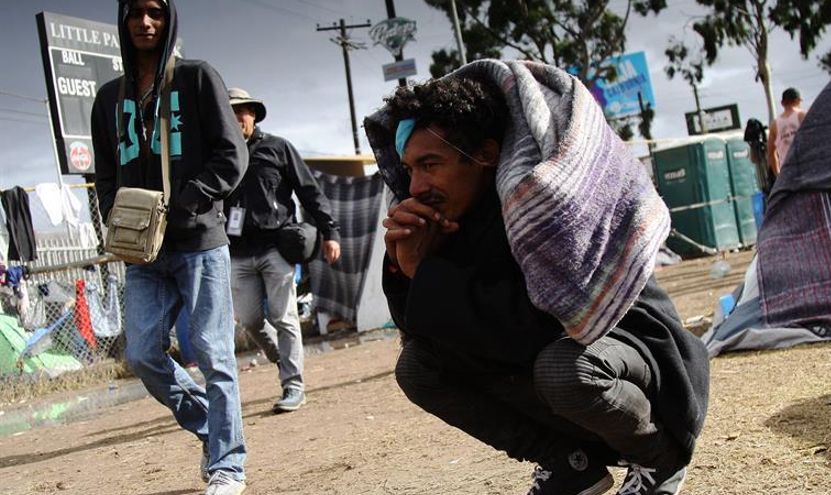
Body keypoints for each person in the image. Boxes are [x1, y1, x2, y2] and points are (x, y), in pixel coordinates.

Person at [364, 61, 710, 495]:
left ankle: (659, 456)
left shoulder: (543, 206)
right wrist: (406, 266)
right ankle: (570, 463)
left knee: (565, 368)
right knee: (419, 367)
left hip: (639, 356)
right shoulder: (447, 218)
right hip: (548, 357)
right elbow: (422, 330)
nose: (415, 186)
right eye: (410, 168)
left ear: (485, 155)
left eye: (430, 164)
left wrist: (424, 271)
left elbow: (531, 329)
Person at [91, 1, 248, 493]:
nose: (144, 22)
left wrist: (188, 200)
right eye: (134, 12)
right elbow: (105, 173)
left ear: (169, 19)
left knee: (214, 354)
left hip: (199, 240)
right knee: (141, 355)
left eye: (155, 11)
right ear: (122, 21)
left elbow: (231, 154)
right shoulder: (108, 99)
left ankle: (228, 465)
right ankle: (213, 429)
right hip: (143, 252)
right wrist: (115, 221)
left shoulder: (198, 78)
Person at [225, 88, 341, 413]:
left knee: (284, 317)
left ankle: (293, 385)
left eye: (241, 112)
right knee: (249, 320)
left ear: (252, 115)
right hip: (237, 251)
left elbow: (310, 192)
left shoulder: (278, 147)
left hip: (277, 246)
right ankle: (280, 358)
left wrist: (330, 233)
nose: (235, 119)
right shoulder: (221, 154)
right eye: (229, 113)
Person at [767, 87, 807, 177]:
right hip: (806, 168)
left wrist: (778, 175)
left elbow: (770, 153)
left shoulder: (774, 124)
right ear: (798, 101)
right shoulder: (803, 115)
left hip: (788, 173)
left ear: (782, 103)